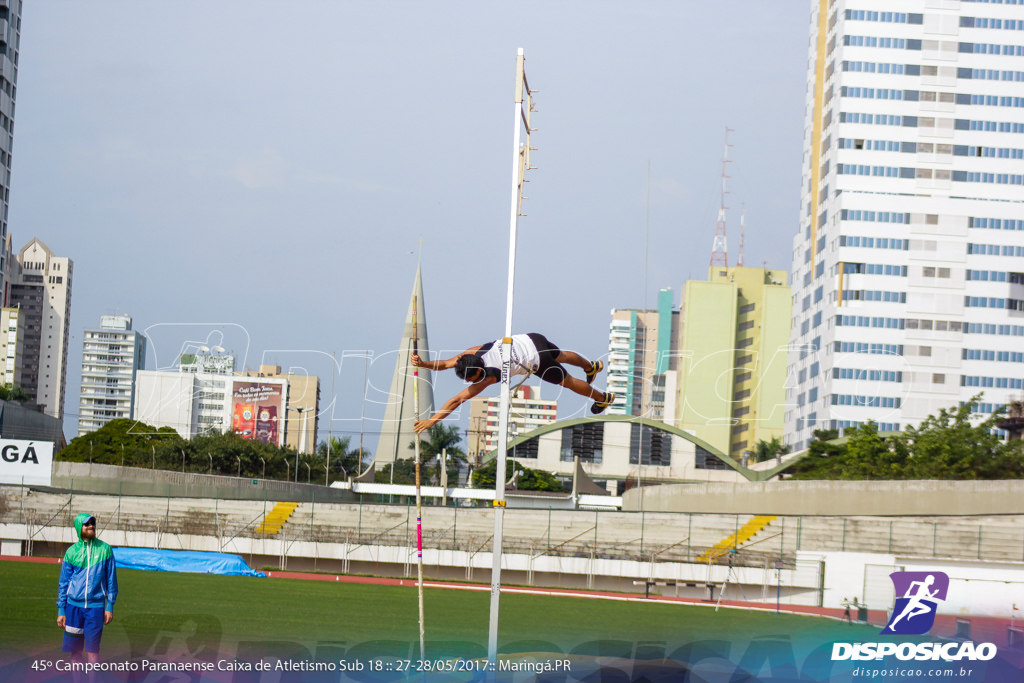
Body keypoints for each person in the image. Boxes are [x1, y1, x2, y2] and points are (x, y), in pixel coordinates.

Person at [412, 333, 613, 433]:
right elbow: (446, 363)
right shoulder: (471, 354)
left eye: (470, 379)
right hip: (532, 339)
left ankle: (602, 398)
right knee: (562, 355)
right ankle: (591, 366)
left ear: (479, 372)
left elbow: (457, 400)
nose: (468, 382)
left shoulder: (488, 376)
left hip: (536, 360)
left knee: (568, 382)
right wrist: (423, 364)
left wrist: (432, 420)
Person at [57, 513, 118, 666]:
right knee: (75, 653)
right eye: (87, 524)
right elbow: (64, 583)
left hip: (95, 608)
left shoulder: (105, 550)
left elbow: (112, 581)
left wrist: (109, 606)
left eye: (92, 523)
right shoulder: (71, 552)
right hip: (73, 608)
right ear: (79, 527)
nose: (91, 526)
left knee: (93, 653)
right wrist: (61, 610)